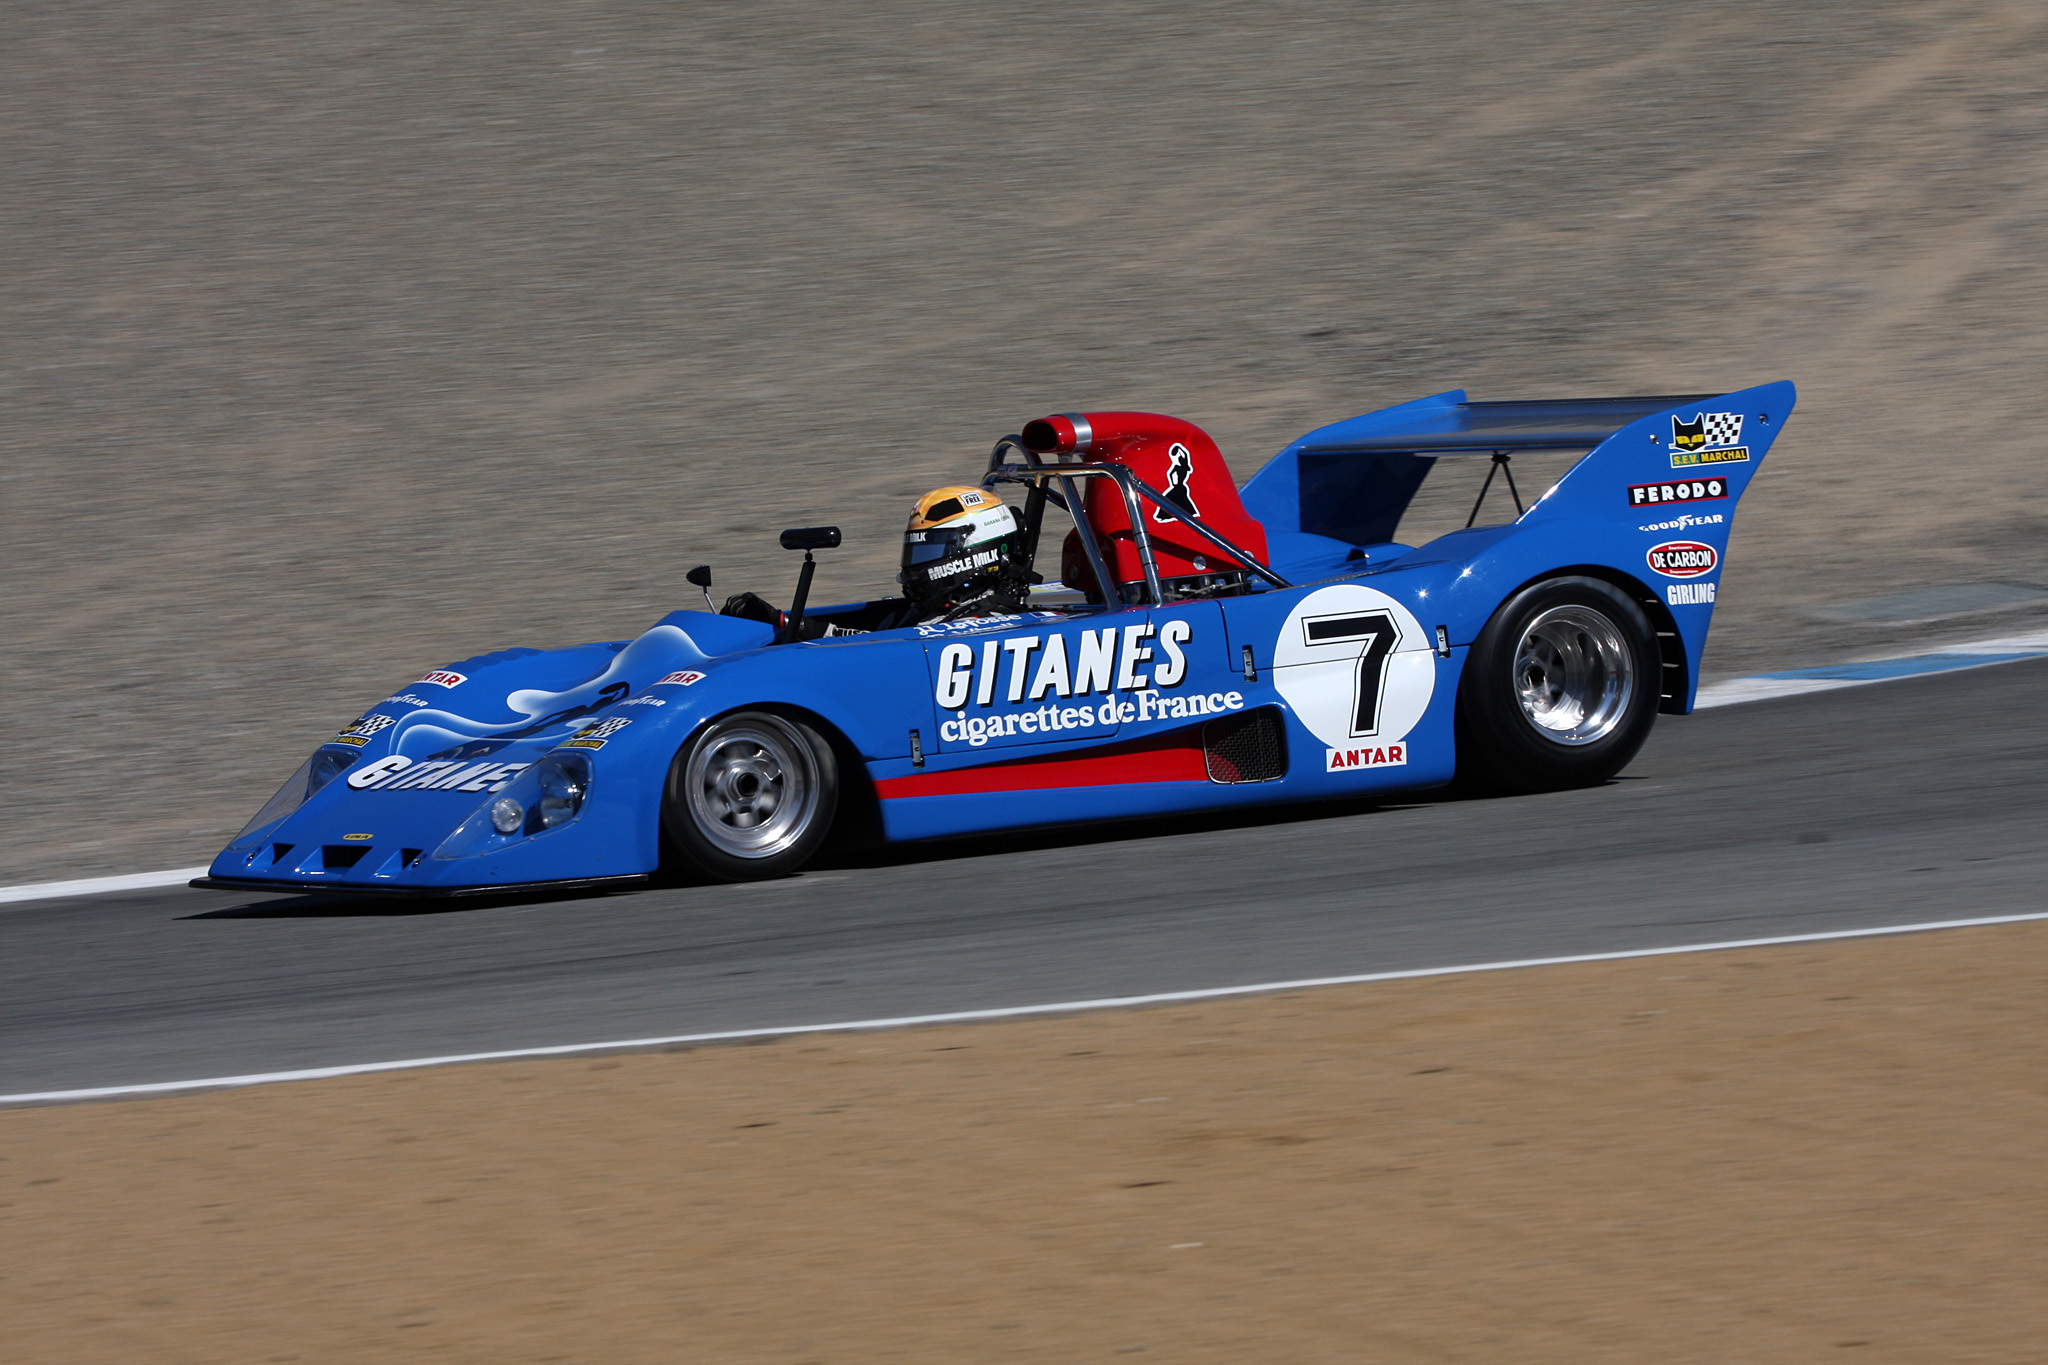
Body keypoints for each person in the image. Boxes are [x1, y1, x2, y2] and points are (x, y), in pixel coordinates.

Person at [721, 485, 1035, 637]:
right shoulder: (926, 613)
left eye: (929, 552)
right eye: (916, 551)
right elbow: (863, 637)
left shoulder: (985, 625)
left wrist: (789, 625)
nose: (917, 566)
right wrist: (781, 622)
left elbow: (881, 652)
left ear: (979, 552)